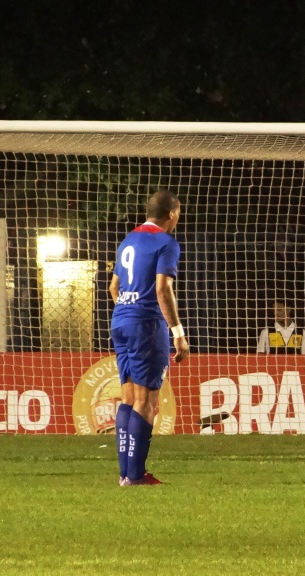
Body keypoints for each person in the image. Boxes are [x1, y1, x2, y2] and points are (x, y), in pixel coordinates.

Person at [109, 190, 190, 486]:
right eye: (178, 212)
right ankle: (135, 475)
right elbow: (162, 289)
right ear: (172, 214)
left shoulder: (128, 239)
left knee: (129, 398)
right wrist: (178, 334)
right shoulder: (166, 242)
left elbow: (113, 288)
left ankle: (125, 474)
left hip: (120, 320)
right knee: (146, 401)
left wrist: (128, 309)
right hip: (146, 324)